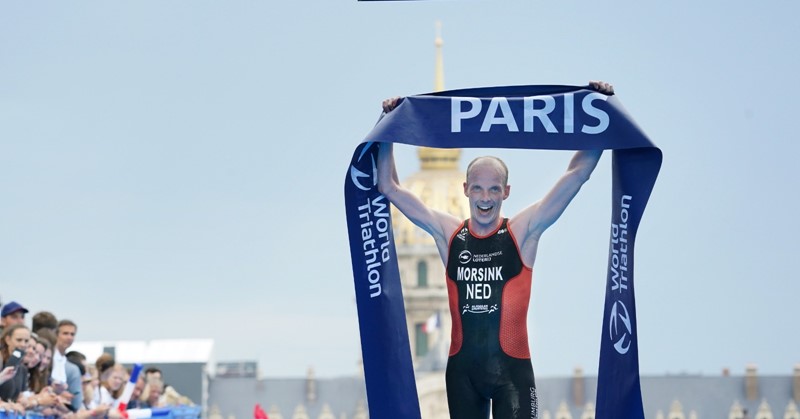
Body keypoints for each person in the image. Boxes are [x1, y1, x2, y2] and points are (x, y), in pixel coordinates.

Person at [376, 81, 613, 419]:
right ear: (466, 190)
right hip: (462, 376)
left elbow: (578, 174)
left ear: (506, 192)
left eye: (493, 189)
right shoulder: (449, 234)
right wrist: (389, 125)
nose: (485, 198)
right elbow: (389, 187)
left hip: (512, 376)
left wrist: (598, 109)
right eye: (478, 189)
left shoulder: (522, 232)